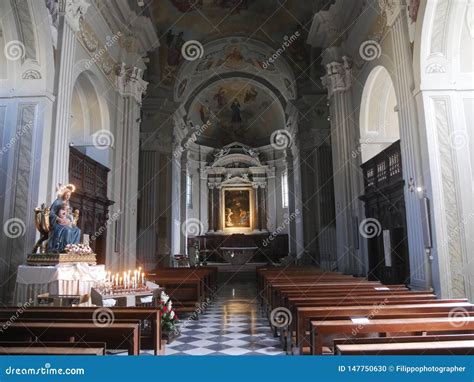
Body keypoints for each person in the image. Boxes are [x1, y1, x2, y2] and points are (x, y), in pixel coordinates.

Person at [48, 184, 81, 252]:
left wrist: (70, 220)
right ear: (64, 194)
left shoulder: (67, 203)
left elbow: (68, 214)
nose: (68, 197)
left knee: (77, 230)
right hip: (58, 224)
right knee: (67, 230)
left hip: (66, 222)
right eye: (67, 195)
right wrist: (59, 219)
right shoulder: (57, 202)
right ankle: (64, 249)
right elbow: (51, 214)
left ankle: (73, 248)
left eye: (69, 196)